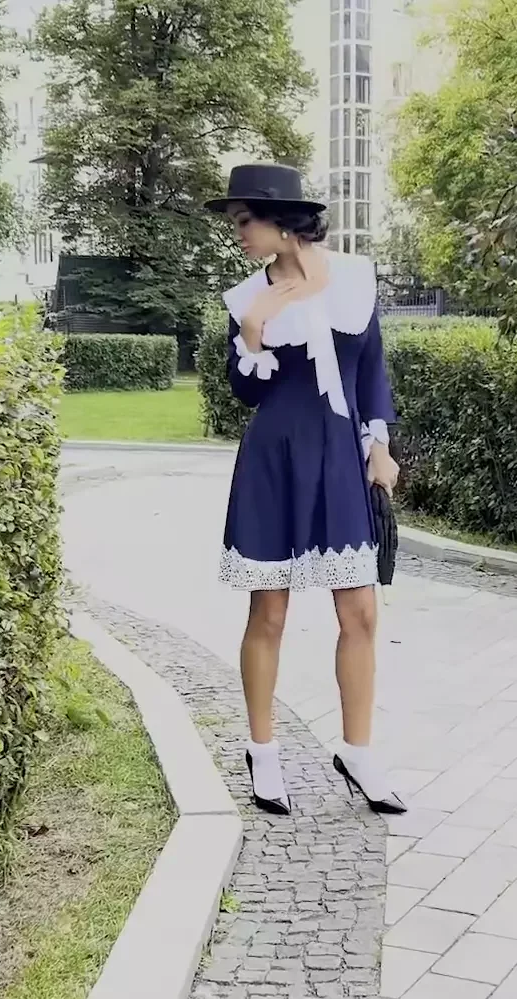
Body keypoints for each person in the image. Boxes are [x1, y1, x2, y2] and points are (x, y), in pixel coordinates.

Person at [206, 163, 407, 817]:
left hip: (341, 462)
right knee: (269, 613)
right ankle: (262, 752)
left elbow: (370, 368)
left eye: (245, 221)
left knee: (361, 613)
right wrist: (253, 331)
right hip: (275, 462)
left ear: (283, 221)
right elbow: (246, 392)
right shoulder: (246, 298)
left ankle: (359, 752)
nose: (239, 234)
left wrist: (379, 443)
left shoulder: (354, 278)